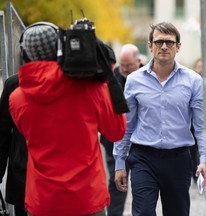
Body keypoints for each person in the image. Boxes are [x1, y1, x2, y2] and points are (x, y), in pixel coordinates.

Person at [8, 22, 126, 216]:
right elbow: (116, 132)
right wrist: (107, 78)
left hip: (43, 199)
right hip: (87, 196)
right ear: (62, 48)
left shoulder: (17, 98)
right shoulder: (90, 88)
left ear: (25, 54)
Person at [113, 22, 206, 216]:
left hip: (178, 158)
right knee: (143, 212)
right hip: (143, 158)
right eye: (159, 42)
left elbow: (200, 126)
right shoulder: (134, 80)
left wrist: (203, 159)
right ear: (150, 45)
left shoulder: (193, 80)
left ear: (178, 47)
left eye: (169, 42)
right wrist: (120, 163)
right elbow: (126, 125)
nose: (164, 46)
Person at [100, 44, 142, 216]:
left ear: (138, 61)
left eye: (129, 65)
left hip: (140, 140)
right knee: (117, 182)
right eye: (122, 65)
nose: (124, 69)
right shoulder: (111, 78)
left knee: (142, 184)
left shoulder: (147, 76)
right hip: (114, 139)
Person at [0, 74, 28, 216]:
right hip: (24, 176)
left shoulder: (15, 84)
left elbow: (3, 132)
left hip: (24, 174)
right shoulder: (15, 84)